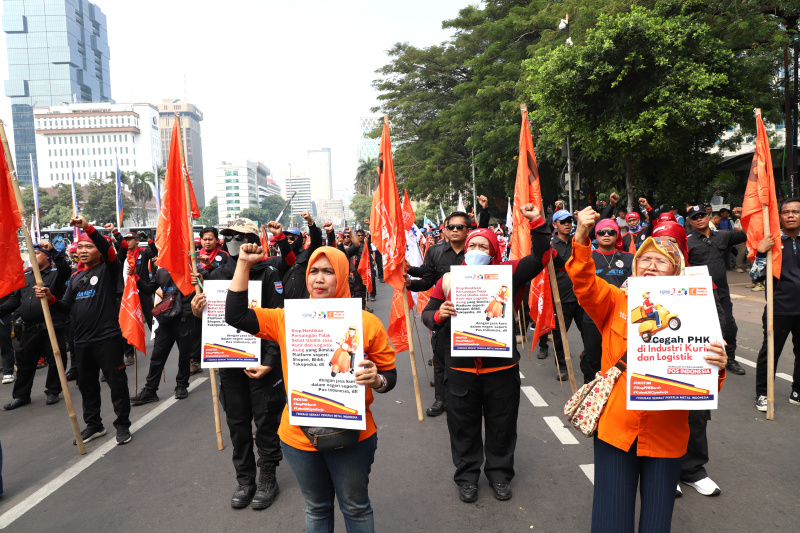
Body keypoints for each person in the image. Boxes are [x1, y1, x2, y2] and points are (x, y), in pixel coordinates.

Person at [567, 206, 727, 532]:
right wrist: (582, 237)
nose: (651, 266)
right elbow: (583, 282)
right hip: (616, 431)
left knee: (657, 524)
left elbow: (706, 379)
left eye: (662, 261)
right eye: (645, 260)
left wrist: (718, 365)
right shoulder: (614, 301)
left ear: (676, 270)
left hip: (667, 435)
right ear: (635, 265)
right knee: (610, 523)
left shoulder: (697, 312)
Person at [224, 243, 396, 531]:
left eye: (328, 272)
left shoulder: (366, 323)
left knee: (355, 508)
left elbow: (389, 375)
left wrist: (377, 380)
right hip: (298, 438)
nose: (319, 278)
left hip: (354, 435)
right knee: (316, 508)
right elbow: (237, 317)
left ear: (342, 276)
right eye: (313, 271)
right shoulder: (287, 318)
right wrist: (242, 263)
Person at [422, 203, 548, 503]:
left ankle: (500, 475)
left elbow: (541, 258)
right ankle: (467, 478)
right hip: (462, 371)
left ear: (494, 251)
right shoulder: (450, 279)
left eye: (484, 245)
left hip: (500, 370)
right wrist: (440, 314)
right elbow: (428, 315)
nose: (477, 248)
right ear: (465, 250)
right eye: (473, 244)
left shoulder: (508, 272)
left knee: (502, 425)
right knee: (463, 428)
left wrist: (537, 222)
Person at [199, 217, 287, 510]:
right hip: (230, 361)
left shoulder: (270, 272)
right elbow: (213, 320)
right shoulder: (216, 275)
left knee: (265, 421)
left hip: (261, 362)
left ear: (254, 239)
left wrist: (272, 362)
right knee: (237, 424)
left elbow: (279, 319)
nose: (234, 240)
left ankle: (267, 476)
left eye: (241, 235)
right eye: (229, 235)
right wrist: (198, 311)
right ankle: (245, 479)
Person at [35, 216, 132, 446]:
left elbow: (110, 251)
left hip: (107, 338)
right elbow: (66, 307)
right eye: (80, 246)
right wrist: (50, 298)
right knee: (86, 385)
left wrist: (88, 228)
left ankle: (123, 426)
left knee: (116, 383)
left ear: (98, 250)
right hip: (81, 341)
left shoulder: (110, 269)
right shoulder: (75, 277)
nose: (84, 250)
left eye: (89, 246)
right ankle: (94, 425)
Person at [405, 207, 479, 417]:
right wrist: (410, 282)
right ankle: (441, 399)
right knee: (439, 360)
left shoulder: (476, 253)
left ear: (468, 230)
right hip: (442, 315)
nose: (455, 230)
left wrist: (484, 210)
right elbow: (428, 280)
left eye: (460, 227)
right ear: (445, 230)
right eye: (451, 227)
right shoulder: (435, 252)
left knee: (470, 361)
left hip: (472, 317)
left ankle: (473, 399)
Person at [4, 242, 70, 410]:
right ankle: (21, 395)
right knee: (24, 359)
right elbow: (14, 300)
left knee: (55, 358)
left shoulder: (56, 273)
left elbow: (65, 269)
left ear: (47, 256)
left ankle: (53, 391)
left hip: (51, 324)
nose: (32, 256)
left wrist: (54, 251)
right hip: (29, 327)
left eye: (37, 253)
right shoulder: (26, 275)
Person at [750, 198, 800, 411]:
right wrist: (761, 252)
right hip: (778, 308)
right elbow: (755, 277)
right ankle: (762, 393)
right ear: (779, 216)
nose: (790, 215)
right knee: (770, 351)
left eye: (795, 212)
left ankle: (797, 390)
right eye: (786, 212)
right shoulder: (771, 242)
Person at [686, 205, 748, 375]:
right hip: (698, 295)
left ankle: (730, 359)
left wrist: (743, 216)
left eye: (702, 215)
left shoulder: (723, 235)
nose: (699, 219)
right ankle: (695, 360)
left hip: (721, 293)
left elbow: (747, 233)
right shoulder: (687, 242)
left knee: (729, 327)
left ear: (708, 217)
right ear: (691, 221)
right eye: (695, 217)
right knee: (697, 328)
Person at [128, 262, 199, 406]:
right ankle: (150, 390)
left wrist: (201, 279)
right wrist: (135, 276)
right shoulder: (161, 272)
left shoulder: (192, 270)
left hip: (185, 319)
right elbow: (148, 290)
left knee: (184, 356)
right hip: (166, 319)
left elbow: (203, 289)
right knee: (157, 356)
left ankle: (181, 386)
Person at [579, 218, 633, 384]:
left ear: (617, 235)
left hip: (621, 316)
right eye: (602, 232)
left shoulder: (630, 258)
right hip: (593, 316)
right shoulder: (588, 257)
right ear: (596, 235)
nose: (607, 235)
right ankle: (591, 392)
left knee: (620, 357)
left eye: (611, 232)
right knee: (593, 358)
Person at [537, 208, 584, 380]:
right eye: (563, 221)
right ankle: (562, 367)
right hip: (559, 299)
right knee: (558, 337)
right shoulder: (549, 245)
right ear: (555, 224)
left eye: (570, 221)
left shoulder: (577, 242)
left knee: (590, 334)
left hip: (581, 297)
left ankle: (588, 363)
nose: (567, 224)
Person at [0, 291, 19, 385]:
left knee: (4, 343)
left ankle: (8, 372)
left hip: (2, 314)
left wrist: (2, 309)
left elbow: (13, 298)